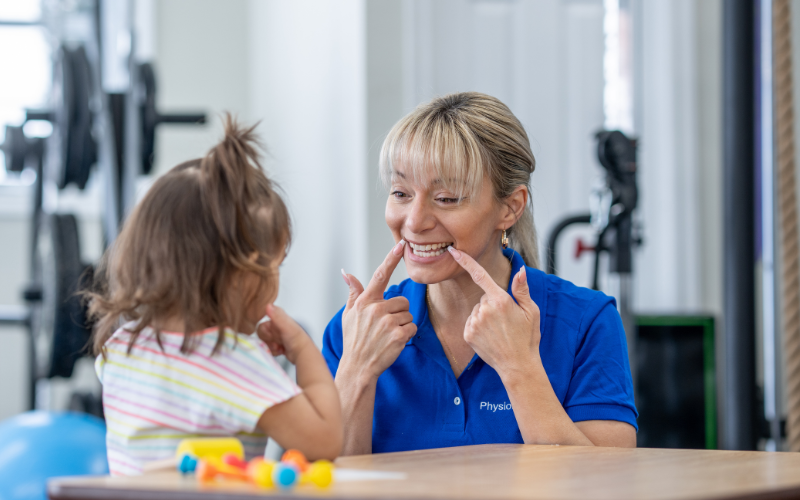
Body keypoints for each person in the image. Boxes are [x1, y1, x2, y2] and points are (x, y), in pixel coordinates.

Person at [323, 92, 638, 455]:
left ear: (510, 208)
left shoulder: (587, 322)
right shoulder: (353, 329)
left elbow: (612, 484)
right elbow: (320, 486)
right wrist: (356, 373)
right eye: (400, 193)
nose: (413, 221)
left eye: (446, 198)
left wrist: (519, 368)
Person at [87, 117, 342, 475]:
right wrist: (302, 349)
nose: (275, 283)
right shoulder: (234, 358)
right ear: (240, 275)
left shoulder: (121, 347)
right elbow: (326, 441)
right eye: (274, 268)